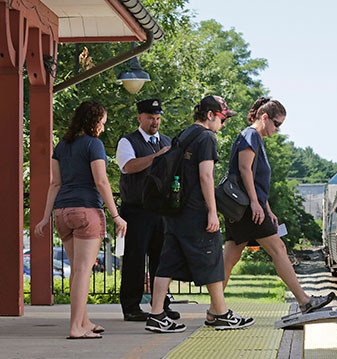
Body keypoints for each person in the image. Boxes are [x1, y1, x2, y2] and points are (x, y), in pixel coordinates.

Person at [146, 95, 254, 333]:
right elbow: (206, 175)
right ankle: (220, 314)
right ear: (210, 115)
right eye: (222, 118)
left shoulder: (184, 135)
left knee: (167, 263)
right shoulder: (206, 137)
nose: (222, 124)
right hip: (195, 210)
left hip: (175, 210)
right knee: (213, 259)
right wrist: (213, 212)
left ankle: (156, 315)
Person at [220, 97, 334, 317]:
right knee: (278, 249)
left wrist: (267, 208)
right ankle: (304, 301)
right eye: (277, 123)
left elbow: (257, 179)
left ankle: (215, 308)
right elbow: (245, 170)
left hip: (249, 206)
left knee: (230, 257)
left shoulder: (255, 138)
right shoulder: (251, 135)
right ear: (265, 117)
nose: (278, 129)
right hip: (247, 207)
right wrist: (255, 203)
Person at [35, 100, 128, 339]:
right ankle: (76, 327)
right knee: (83, 270)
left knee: (77, 271)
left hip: (62, 213)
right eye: (102, 123)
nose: (104, 128)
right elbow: (101, 181)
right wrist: (116, 215)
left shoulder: (62, 146)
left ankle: (84, 321)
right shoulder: (93, 145)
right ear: (93, 122)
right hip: (86, 212)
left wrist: (45, 217)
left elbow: (55, 183)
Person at [115, 99, 180, 321]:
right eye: (151, 118)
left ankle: (160, 304)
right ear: (140, 118)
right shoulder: (128, 141)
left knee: (162, 259)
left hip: (161, 210)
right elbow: (128, 166)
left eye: (158, 118)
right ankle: (131, 306)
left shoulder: (166, 141)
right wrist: (157, 156)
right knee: (135, 258)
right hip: (136, 209)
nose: (155, 122)